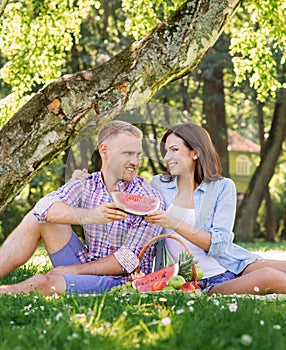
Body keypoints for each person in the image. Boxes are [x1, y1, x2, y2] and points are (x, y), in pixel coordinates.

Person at [0, 120, 163, 296]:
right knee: (38, 219)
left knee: (43, 282)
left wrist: (73, 271)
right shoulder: (87, 183)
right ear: (104, 150)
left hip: (122, 279)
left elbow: (128, 261)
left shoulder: (148, 197)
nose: (135, 162)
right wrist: (91, 215)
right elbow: (42, 208)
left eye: (138, 154)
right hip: (87, 262)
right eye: (128, 153)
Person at [144, 122, 286, 295]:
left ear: (195, 153)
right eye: (166, 151)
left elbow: (218, 245)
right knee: (269, 276)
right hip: (206, 281)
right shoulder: (159, 184)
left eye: (174, 150)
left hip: (234, 263)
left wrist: (172, 221)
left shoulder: (223, 187)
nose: (166, 158)